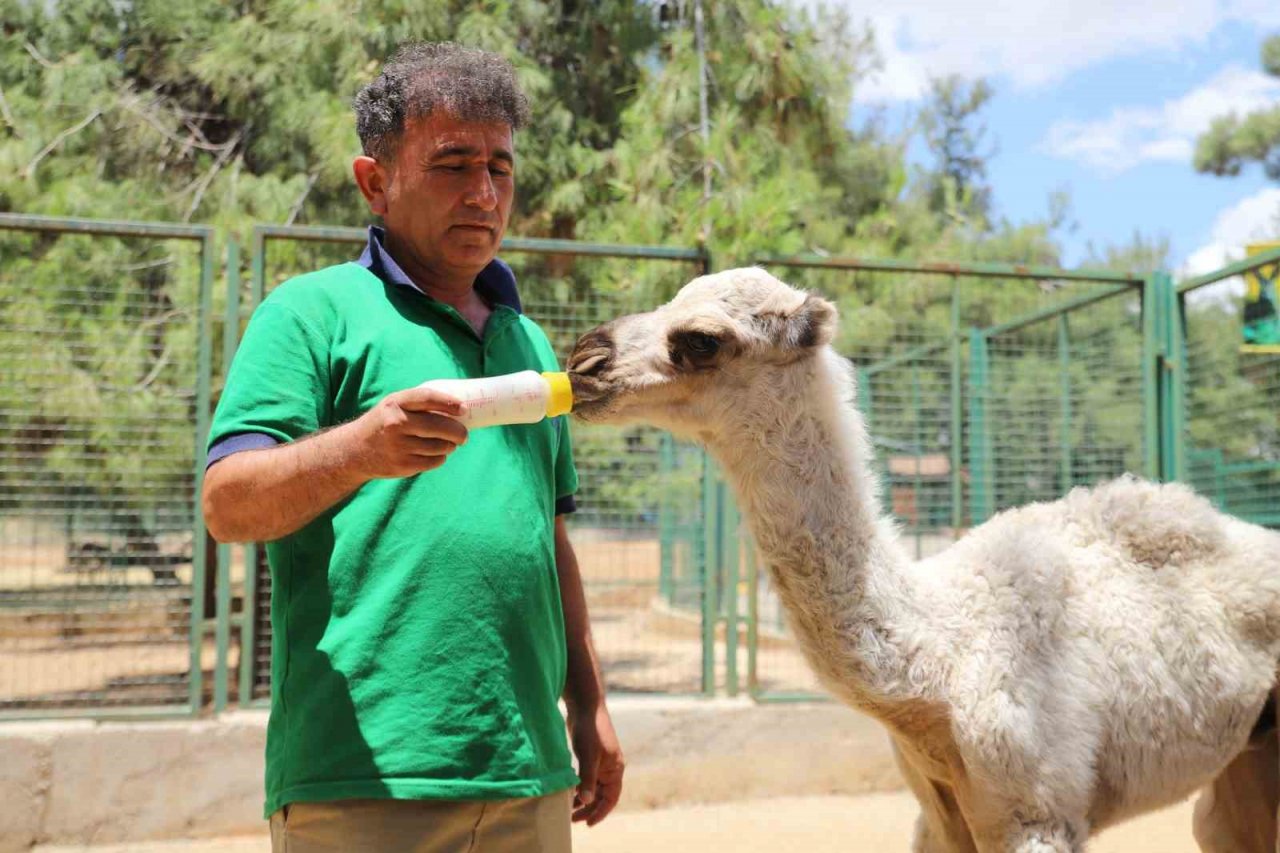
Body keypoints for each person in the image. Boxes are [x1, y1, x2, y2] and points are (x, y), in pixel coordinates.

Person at [202, 41, 623, 853]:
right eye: (452, 164)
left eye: (500, 167)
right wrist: (361, 449)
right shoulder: (311, 314)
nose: (483, 192)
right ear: (375, 182)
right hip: (362, 781)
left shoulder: (529, 343)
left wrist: (590, 701)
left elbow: (550, 542)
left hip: (527, 776)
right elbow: (227, 504)